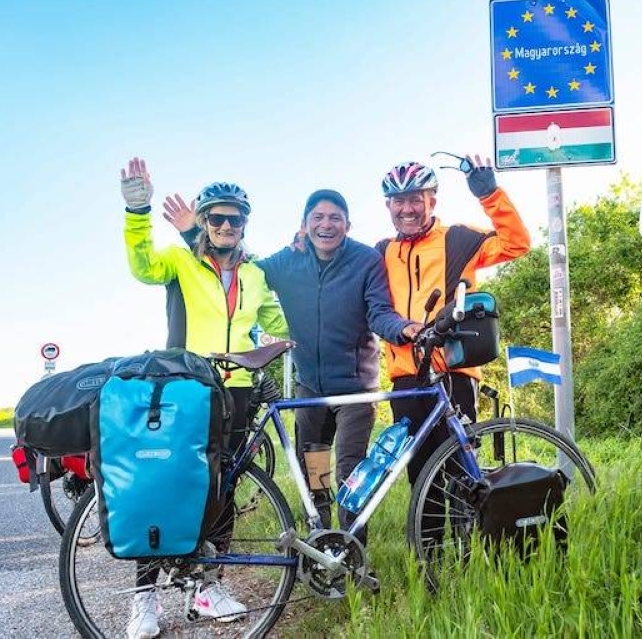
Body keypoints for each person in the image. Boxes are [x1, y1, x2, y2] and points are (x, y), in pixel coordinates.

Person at [164, 188, 420, 545]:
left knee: (350, 472)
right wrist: (194, 234)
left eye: (335, 218)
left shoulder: (365, 260)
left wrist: (404, 330)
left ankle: (351, 549)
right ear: (304, 225)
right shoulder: (285, 262)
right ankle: (321, 543)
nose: (326, 225)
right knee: (313, 471)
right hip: (310, 389)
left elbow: (379, 313)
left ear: (348, 224)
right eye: (318, 217)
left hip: (355, 388)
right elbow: (238, 266)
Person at [120, 157, 289, 639]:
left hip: (237, 390)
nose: (227, 225)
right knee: (167, 488)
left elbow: (277, 321)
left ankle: (208, 586)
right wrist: (138, 211)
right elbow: (142, 266)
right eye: (217, 217)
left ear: (244, 225)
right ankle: (143, 599)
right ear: (203, 221)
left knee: (224, 489)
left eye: (235, 218)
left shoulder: (255, 274)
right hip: (187, 388)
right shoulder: (181, 261)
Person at [376, 155, 530, 489]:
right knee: (421, 478)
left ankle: (465, 542)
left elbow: (517, 244)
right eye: (399, 201)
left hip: (454, 373)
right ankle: (428, 544)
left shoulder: (458, 238)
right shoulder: (382, 251)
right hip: (406, 379)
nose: (407, 209)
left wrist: (489, 194)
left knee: (462, 475)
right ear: (388, 205)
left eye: (416, 199)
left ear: (431, 200)